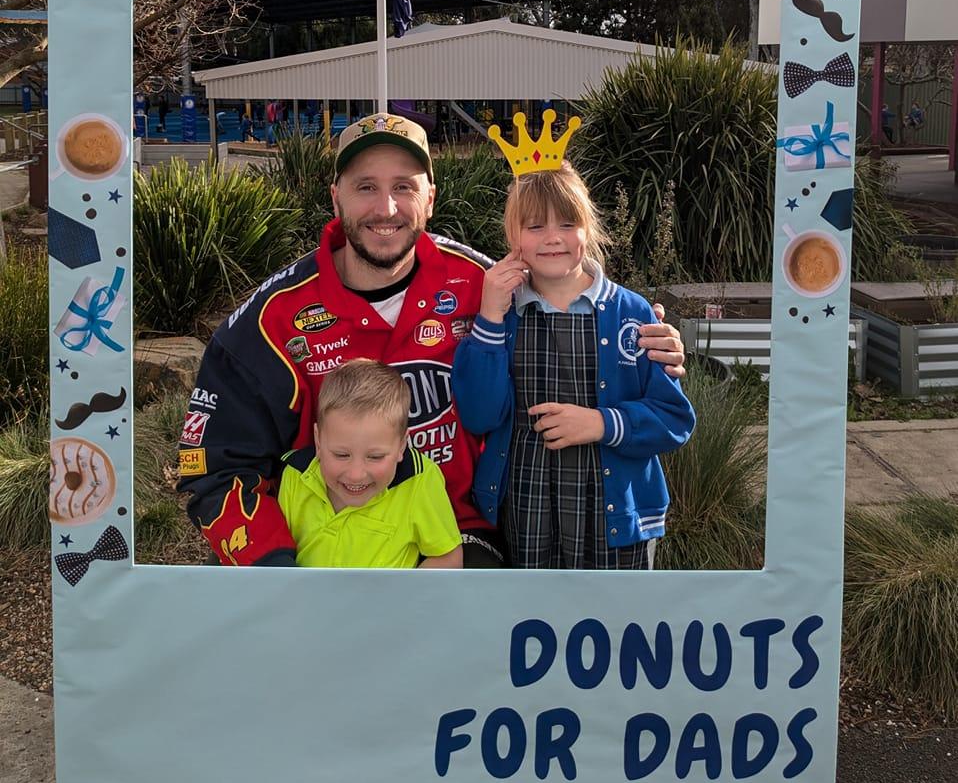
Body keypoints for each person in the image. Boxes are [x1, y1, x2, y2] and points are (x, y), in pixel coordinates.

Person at [177, 112, 687, 570]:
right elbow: (211, 468)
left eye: (404, 186)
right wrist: (277, 569)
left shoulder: (481, 283)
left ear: (430, 197)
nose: (387, 207)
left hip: (461, 535)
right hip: (329, 550)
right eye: (365, 187)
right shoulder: (272, 320)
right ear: (335, 197)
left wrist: (643, 332)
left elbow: (568, 292)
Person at [452, 162, 695, 570]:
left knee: (615, 626)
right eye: (534, 227)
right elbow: (478, 416)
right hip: (526, 511)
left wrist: (602, 424)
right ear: (513, 237)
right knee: (530, 625)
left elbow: (674, 420)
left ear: (588, 229)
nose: (552, 239)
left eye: (567, 224)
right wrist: (489, 320)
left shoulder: (631, 313)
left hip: (614, 518)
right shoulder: (501, 312)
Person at [279, 358, 462, 568]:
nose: (356, 474)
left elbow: (448, 556)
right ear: (318, 440)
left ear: (402, 445)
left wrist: (402, 599)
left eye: (375, 457)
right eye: (341, 455)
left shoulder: (420, 481)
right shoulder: (295, 474)